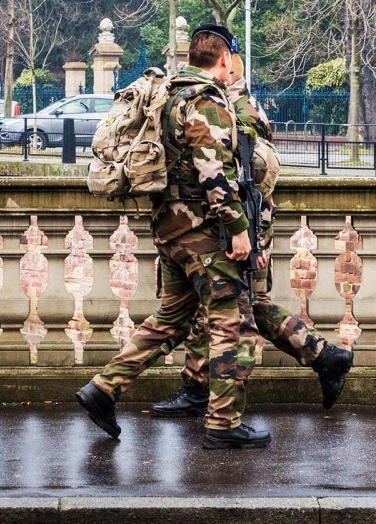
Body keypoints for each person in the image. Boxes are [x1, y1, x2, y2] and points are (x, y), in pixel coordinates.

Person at [76, 24, 269, 449]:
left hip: (170, 228)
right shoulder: (206, 101)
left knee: (171, 320)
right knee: (231, 325)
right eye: (232, 60)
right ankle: (223, 424)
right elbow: (214, 174)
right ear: (224, 58)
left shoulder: (168, 95)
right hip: (204, 230)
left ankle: (103, 388)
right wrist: (239, 230)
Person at [151, 53, 353, 418]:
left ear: (227, 71)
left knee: (229, 304)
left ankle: (205, 392)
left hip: (243, 223)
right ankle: (324, 356)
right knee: (239, 303)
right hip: (240, 221)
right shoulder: (233, 104)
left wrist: (246, 234)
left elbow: (245, 175)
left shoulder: (234, 110)